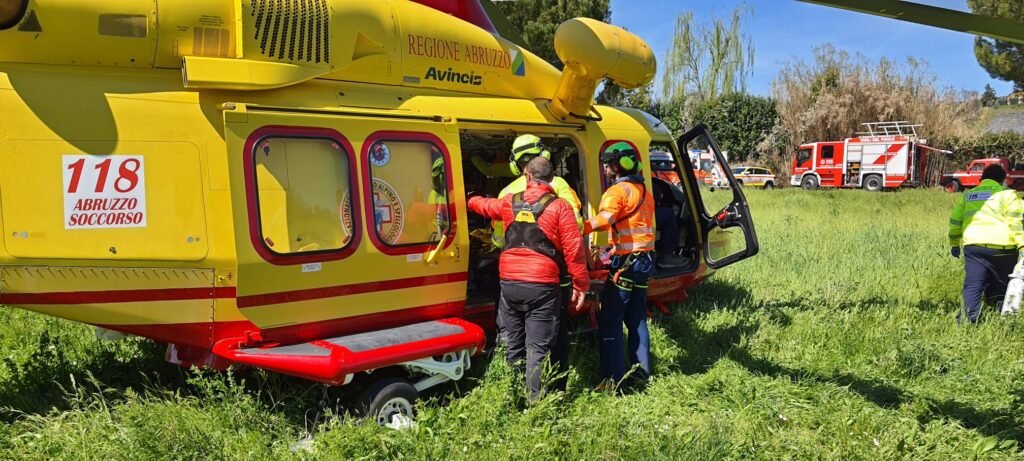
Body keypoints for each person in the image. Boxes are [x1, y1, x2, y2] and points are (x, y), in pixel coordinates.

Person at [467, 157, 589, 400]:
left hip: (509, 284)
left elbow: (486, 206)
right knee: (537, 348)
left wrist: (468, 199)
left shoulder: (509, 202)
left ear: (527, 176)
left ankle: (511, 396)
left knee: (513, 344)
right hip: (542, 287)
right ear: (551, 179)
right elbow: (574, 250)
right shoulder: (560, 207)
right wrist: (581, 284)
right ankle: (534, 402)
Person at [583, 141, 656, 387]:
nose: (605, 170)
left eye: (607, 165)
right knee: (636, 319)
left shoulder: (618, 191)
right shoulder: (643, 191)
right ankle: (642, 375)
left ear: (618, 165)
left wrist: (579, 227)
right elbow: (635, 227)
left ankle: (613, 380)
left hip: (627, 264)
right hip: (645, 261)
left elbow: (606, 218)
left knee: (610, 320)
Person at [949, 164, 1024, 323]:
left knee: (973, 285)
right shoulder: (1008, 195)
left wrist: (954, 243)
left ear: (982, 178)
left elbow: (955, 221)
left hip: (974, 248)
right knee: (1003, 284)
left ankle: (967, 322)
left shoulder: (969, 195)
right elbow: (1016, 223)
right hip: (1003, 250)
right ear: (1002, 180)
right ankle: (1003, 319)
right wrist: (1022, 246)